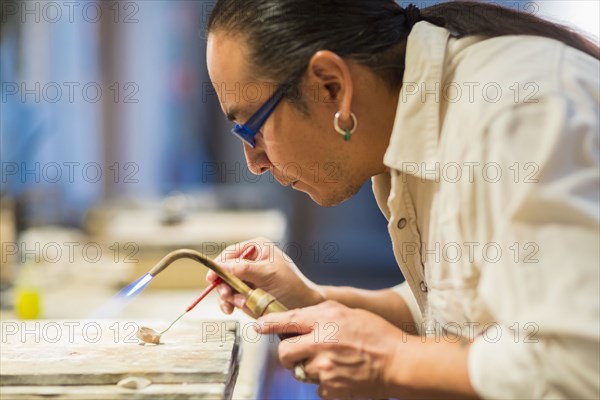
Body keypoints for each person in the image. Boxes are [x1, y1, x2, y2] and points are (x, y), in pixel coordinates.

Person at [204, 1, 600, 398]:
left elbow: (577, 368)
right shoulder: (414, 125)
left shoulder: (519, 117)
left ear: (331, 86)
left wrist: (389, 359)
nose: (253, 162)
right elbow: (458, 309)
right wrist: (312, 300)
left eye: (250, 127)